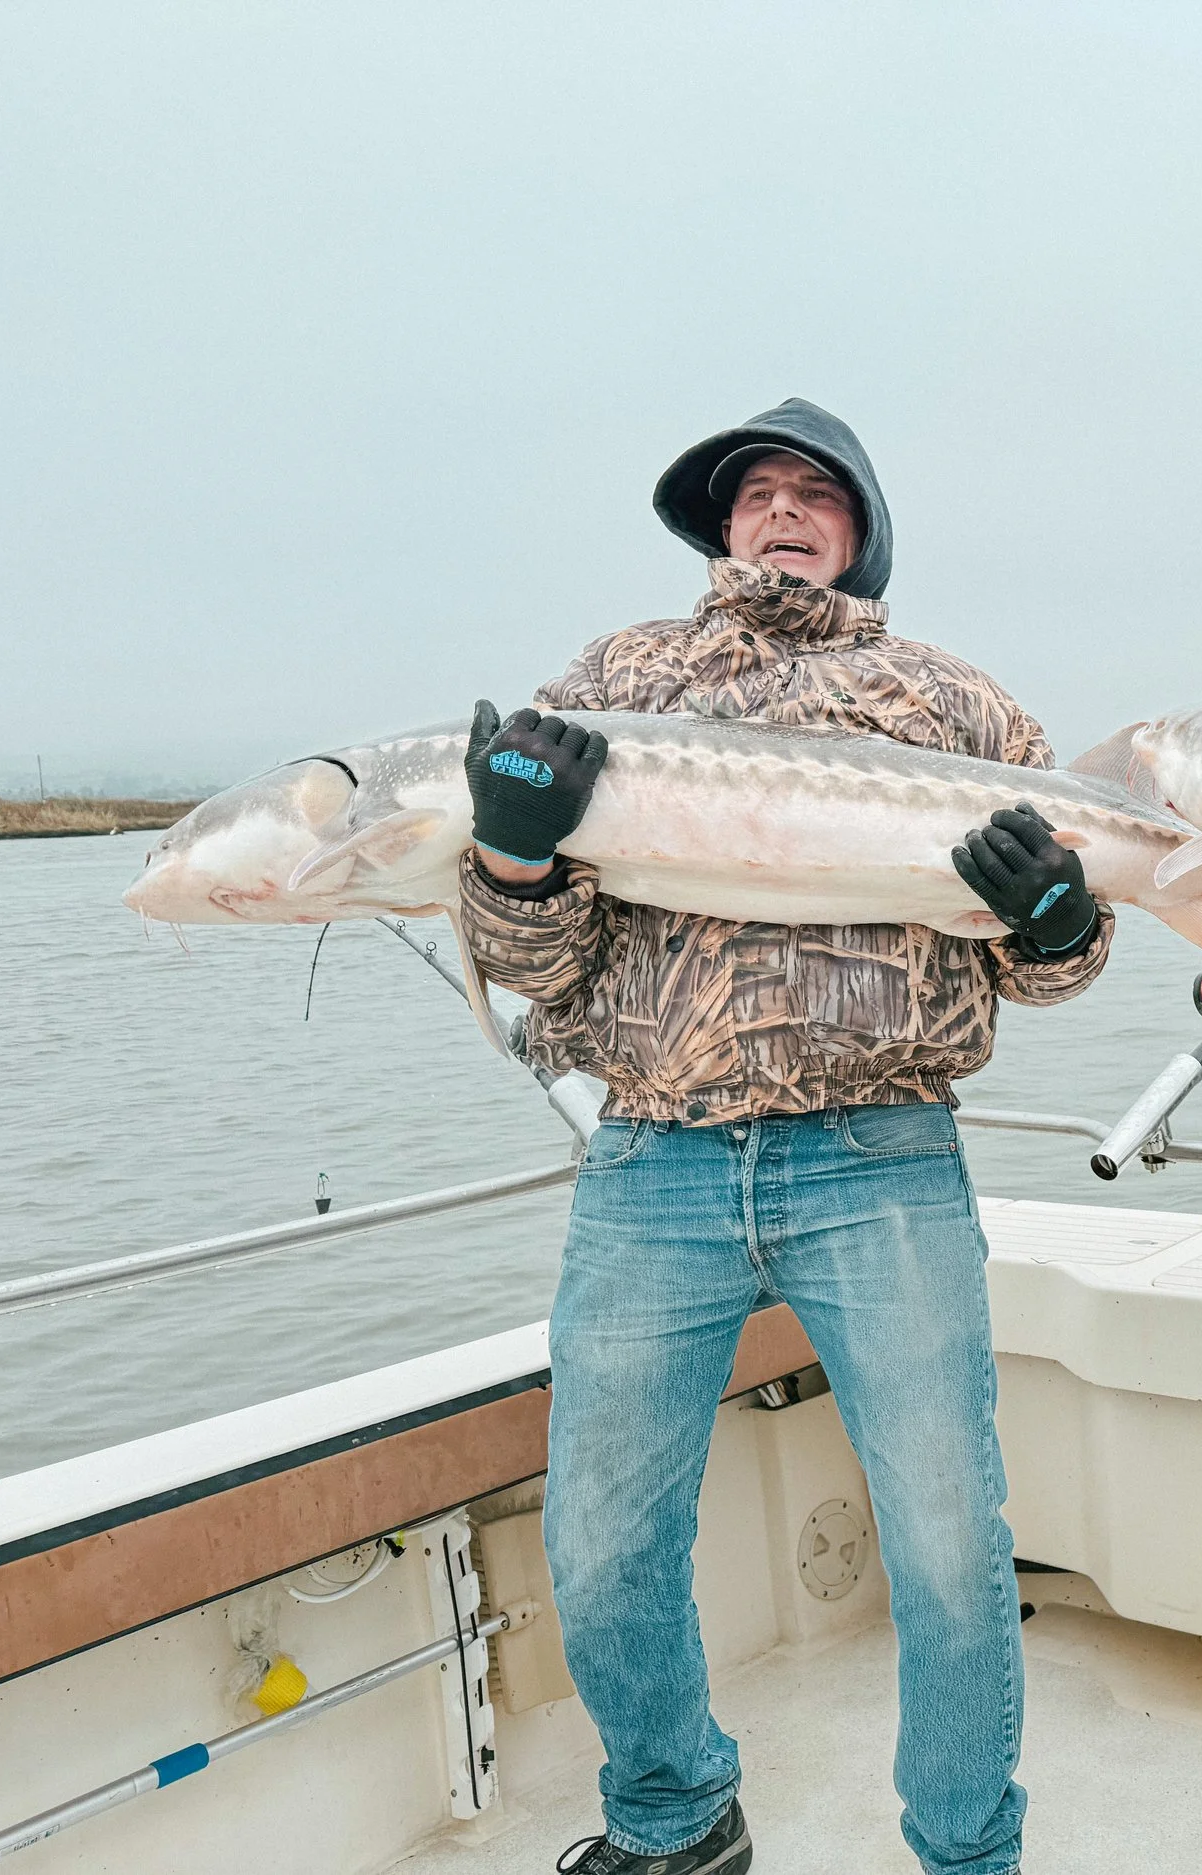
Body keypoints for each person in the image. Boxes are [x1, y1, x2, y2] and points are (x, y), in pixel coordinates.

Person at [459, 398, 1106, 1875]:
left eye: (819, 492)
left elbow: (1062, 961)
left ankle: (967, 1849)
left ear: (864, 529)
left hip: (879, 1156)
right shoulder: (613, 682)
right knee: (605, 1539)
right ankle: (677, 1815)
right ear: (720, 526)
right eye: (757, 491)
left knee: (948, 1546)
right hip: (652, 1163)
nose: (785, 509)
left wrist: (1058, 917)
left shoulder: (962, 705)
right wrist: (510, 852)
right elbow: (532, 962)